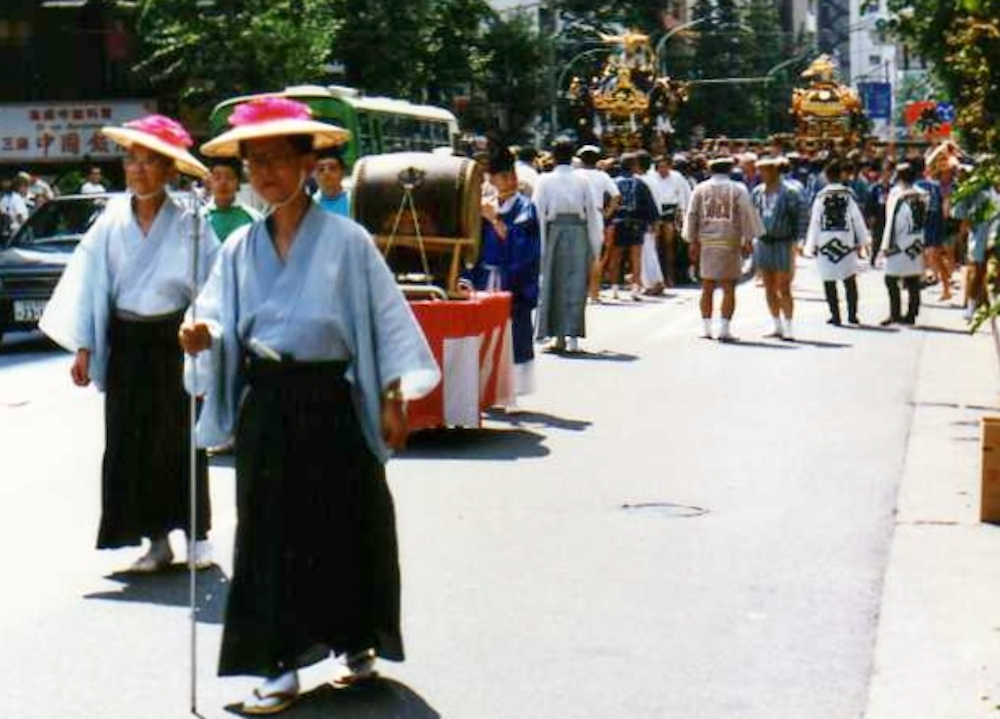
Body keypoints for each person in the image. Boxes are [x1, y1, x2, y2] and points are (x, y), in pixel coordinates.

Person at [179, 97, 440, 715]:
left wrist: (393, 396)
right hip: (268, 402)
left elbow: (384, 320)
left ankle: (357, 640)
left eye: (277, 159)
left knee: (348, 521)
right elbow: (214, 315)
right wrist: (200, 334)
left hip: (332, 401)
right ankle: (277, 665)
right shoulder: (240, 247)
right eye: (255, 162)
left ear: (305, 163)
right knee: (268, 533)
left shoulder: (348, 241)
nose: (266, 173)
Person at [38, 114, 218, 572]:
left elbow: (211, 284)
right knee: (131, 439)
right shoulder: (109, 221)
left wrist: (203, 333)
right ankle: (155, 540)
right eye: (131, 160)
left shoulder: (192, 221)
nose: (137, 170)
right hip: (127, 342)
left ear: (169, 170)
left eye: (149, 161)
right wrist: (84, 346)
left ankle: (196, 535)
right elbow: (89, 284)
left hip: (175, 338)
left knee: (181, 436)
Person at [467, 143, 541, 405]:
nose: (510, 180)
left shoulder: (524, 207)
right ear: (491, 179)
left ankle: (512, 392)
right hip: (486, 277)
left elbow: (522, 245)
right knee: (484, 333)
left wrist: (495, 220)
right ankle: (486, 388)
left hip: (512, 279)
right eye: (503, 176)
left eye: (512, 175)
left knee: (512, 333)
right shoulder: (485, 206)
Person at [684, 155, 765, 341]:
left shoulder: (700, 188)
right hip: (730, 242)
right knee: (729, 288)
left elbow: (692, 215)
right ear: (730, 170)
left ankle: (706, 328)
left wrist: (692, 241)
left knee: (707, 286)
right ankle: (724, 329)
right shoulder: (738, 189)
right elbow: (746, 214)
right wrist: (748, 239)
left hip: (707, 243)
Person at [532, 137, 602, 353]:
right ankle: (572, 339)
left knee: (552, 282)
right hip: (579, 230)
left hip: (553, 231)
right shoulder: (582, 180)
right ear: (572, 157)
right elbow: (592, 212)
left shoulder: (544, 180)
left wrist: (538, 244)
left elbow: (537, 212)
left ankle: (558, 336)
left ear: (553, 157)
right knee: (576, 283)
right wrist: (596, 244)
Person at [804, 159, 870, 326]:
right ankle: (852, 314)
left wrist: (810, 245)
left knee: (829, 279)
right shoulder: (848, 195)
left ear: (826, 177)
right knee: (849, 278)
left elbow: (815, 221)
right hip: (845, 241)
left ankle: (835, 315)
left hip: (825, 242)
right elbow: (857, 219)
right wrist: (863, 240)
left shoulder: (821, 197)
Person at [750, 156, 808, 340]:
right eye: (760, 171)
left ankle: (789, 325)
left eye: (765, 170)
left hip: (784, 241)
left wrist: (799, 241)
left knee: (784, 286)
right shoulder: (757, 192)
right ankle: (777, 325)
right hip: (763, 242)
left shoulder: (790, 192)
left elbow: (801, 217)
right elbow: (752, 215)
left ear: (774, 171)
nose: (762, 174)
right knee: (768, 286)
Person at [880, 163, 928, 325]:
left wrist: (887, 245)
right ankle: (912, 314)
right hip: (916, 240)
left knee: (891, 279)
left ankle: (895, 313)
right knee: (913, 279)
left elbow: (895, 222)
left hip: (899, 242)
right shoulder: (921, 194)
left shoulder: (900, 196)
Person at [573, 144, 620, 302]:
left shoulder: (575, 174)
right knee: (595, 256)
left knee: (576, 256)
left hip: (577, 215)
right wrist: (607, 212)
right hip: (597, 215)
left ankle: (579, 293)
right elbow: (616, 195)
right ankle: (594, 293)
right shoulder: (602, 176)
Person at [610, 152, 659, 300]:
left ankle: (614, 289)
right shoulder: (640, 183)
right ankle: (635, 289)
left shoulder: (613, 182)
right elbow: (649, 205)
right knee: (635, 257)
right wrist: (653, 222)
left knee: (616, 256)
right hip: (636, 223)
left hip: (617, 222)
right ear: (634, 166)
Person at [645, 153, 691, 287]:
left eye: (665, 167)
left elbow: (683, 195)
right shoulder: (650, 177)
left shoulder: (677, 177)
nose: (663, 170)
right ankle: (656, 276)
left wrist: (682, 214)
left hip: (670, 211)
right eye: (660, 167)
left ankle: (670, 275)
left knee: (669, 245)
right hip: (654, 211)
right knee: (654, 244)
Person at [206, 157, 261, 241]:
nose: (223, 182)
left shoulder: (254, 218)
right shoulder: (199, 218)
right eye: (217, 177)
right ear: (209, 182)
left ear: (238, 182)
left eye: (229, 177)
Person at [312, 147, 351, 216]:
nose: (326, 173)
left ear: (342, 172)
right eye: (321, 169)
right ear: (313, 175)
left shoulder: (355, 200)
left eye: (332, 168)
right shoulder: (309, 207)